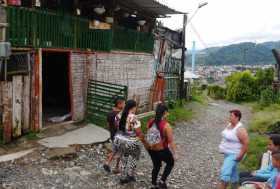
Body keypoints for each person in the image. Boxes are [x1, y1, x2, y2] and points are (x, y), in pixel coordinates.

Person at [113, 99, 148, 184]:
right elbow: (139, 133)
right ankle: (130, 175)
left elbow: (116, 127)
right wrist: (146, 143)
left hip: (119, 141)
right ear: (133, 107)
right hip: (130, 142)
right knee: (135, 157)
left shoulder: (118, 115)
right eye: (136, 107)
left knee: (124, 158)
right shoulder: (134, 118)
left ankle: (122, 177)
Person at [146, 103, 176, 189]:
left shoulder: (151, 121)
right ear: (165, 112)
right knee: (171, 163)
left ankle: (153, 184)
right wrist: (175, 153)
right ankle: (162, 182)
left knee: (157, 165)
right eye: (167, 112)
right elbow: (171, 141)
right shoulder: (166, 126)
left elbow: (148, 133)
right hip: (161, 150)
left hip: (151, 149)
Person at [219, 109, 249, 189]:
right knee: (233, 173)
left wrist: (240, 155)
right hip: (228, 153)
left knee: (225, 173)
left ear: (237, 117)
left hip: (234, 154)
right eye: (230, 115)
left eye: (231, 116)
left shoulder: (240, 129)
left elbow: (246, 143)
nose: (229, 117)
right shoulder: (230, 125)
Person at [103, 97, 125, 173]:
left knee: (115, 150)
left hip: (112, 135)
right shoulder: (120, 115)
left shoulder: (110, 113)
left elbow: (108, 125)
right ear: (119, 104)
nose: (124, 105)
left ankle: (107, 163)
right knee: (120, 151)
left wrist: (112, 132)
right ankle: (116, 167)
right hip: (120, 136)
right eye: (123, 103)